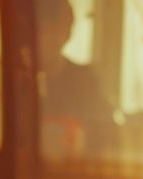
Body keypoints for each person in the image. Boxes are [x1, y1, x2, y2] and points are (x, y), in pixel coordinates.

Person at [37, 0, 119, 159]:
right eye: (44, 30)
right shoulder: (14, 84)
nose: (49, 38)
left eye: (56, 29)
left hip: (75, 170)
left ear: (67, 32)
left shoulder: (85, 82)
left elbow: (108, 139)